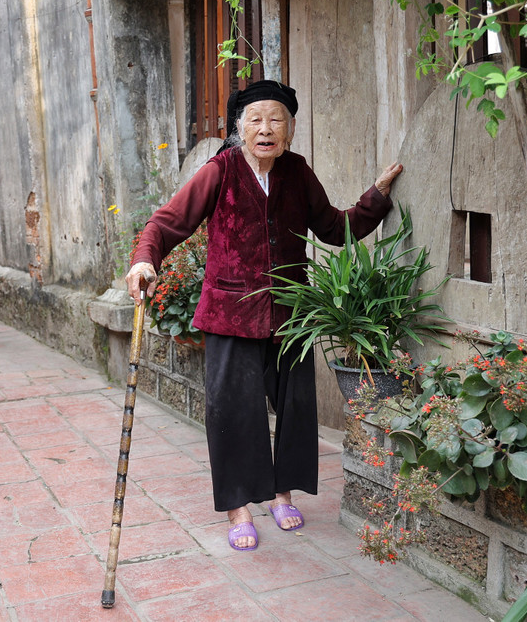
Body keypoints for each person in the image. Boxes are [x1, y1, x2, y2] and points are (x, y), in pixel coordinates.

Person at [127, 80, 403, 552]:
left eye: (276, 119)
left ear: (291, 129)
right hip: (230, 313)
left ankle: (281, 493)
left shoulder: (296, 171)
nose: (265, 129)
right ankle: (238, 507)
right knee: (234, 412)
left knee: (296, 408)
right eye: (255, 119)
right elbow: (168, 221)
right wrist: (144, 258)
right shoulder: (220, 171)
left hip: (290, 312)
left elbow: (336, 228)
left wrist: (375, 196)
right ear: (239, 127)